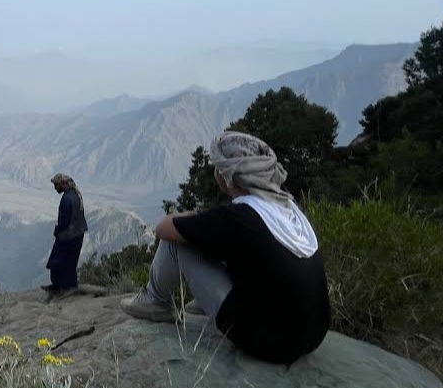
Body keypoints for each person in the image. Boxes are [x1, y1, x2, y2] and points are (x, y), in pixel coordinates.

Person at [121, 131, 330, 364]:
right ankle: (203, 303)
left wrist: (195, 217)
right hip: (314, 335)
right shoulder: (285, 207)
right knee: (225, 245)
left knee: (176, 245)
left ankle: (155, 301)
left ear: (225, 176)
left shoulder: (238, 217)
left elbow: (163, 229)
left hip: (273, 344)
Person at [44, 173, 88, 293]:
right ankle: (70, 286)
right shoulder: (76, 194)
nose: (55, 188)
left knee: (56, 261)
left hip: (68, 235)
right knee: (70, 261)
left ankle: (58, 287)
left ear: (63, 184)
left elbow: (63, 222)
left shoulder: (66, 199)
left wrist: (57, 231)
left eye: (56, 185)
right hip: (79, 233)